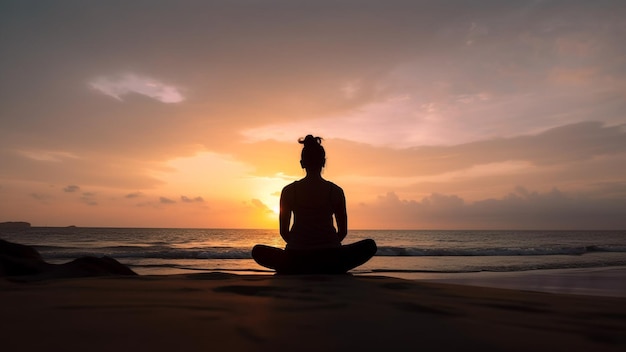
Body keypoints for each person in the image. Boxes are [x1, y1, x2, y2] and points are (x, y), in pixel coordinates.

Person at [252, 135, 377, 274]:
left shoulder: (289, 191)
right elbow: (342, 231)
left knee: (257, 251)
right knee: (369, 246)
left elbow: (284, 231)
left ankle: (298, 268)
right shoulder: (335, 191)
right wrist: (328, 245)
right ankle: (328, 268)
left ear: (302, 163)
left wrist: (300, 245)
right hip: (331, 258)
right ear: (323, 162)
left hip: (296, 258)